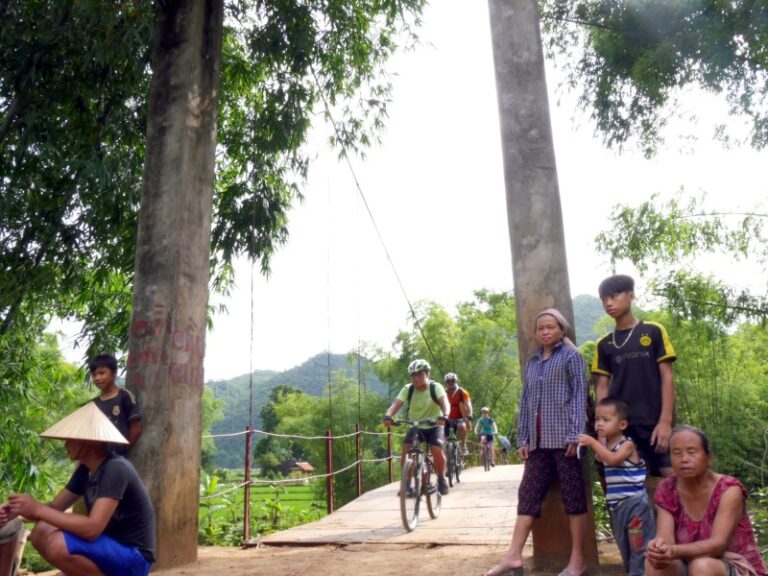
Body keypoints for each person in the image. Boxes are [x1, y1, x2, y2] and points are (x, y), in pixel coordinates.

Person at [486, 308, 588, 576]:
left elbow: (579, 396)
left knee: (573, 496)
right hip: (538, 442)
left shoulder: (572, 357)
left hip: (565, 439)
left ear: (561, 330)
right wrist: (523, 437)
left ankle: (578, 560)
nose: (545, 331)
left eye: (551, 327)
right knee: (528, 493)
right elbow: (526, 401)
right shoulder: (532, 363)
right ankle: (513, 556)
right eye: (540, 327)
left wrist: (575, 435)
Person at [1, 402, 156, 576]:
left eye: (70, 440)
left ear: (87, 441)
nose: (65, 445)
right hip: (108, 546)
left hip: (134, 557)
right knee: (41, 530)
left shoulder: (115, 468)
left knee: (57, 544)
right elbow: (52, 508)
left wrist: (36, 509)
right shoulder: (86, 470)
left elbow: (92, 529)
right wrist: (18, 510)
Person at [646, 426, 767, 576]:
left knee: (701, 566)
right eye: (676, 453)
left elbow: (718, 545)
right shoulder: (666, 489)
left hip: (730, 563)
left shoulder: (729, 490)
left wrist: (674, 550)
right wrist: (660, 548)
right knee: (655, 563)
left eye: (691, 452)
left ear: (708, 457)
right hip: (686, 560)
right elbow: (665, 537)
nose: (684, 459)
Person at [592, 274, 677, 481]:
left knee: (671, 478)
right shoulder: (604, 344)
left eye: (613, 296)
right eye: (604, 299)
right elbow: (601, 389)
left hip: (653, 421)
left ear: (631, 295)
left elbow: (667, 377)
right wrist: (602, 434)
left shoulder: (653, 331)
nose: (608, 303)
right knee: (624, 481)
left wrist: (665, 421)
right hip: (619, 426)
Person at [578, 397, 655, 576]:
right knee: (624, 547)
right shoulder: (607, 447)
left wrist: (593, 443)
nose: (599, 424)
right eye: (597, 419)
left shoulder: (626, 445)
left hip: (635, 505)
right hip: (617, 507)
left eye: (606, 420)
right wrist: (600, 448)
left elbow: (613, 459)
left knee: (638, 547)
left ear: (622, 424)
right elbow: (607, 457)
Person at [383, 359, 450, 496]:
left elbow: (445, 403)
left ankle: (442, 478)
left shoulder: (435, 387)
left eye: (419, 374)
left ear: (427, 374)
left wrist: (445, 415)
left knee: (436, 448)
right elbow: (396, 404)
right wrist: (388, 416)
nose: (416, 378)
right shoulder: (408, 389)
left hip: (435, 425)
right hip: (417, 426)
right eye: (413, 375)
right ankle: (406, 485)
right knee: (406, 449)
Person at [89, 354, 142, 455]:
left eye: (101, 373)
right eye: (94, 374)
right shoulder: (94, 403)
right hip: (97, 457)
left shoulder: (124, 396)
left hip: (118, 456)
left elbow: (136, 428)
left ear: (114, 373)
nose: (97, 378)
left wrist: (124, 448)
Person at [443, 372, 473, 455]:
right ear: (446, 382)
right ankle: (448, 458)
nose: (450, 383)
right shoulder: (443, 392)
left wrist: (469, 415)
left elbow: (468, 404)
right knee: (443, 440)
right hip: (446, 419)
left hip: (459, 418)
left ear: (456, 381)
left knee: (462, 426)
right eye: (448, 381)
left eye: (452, 381)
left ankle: (463, 445)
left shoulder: (462, 392)